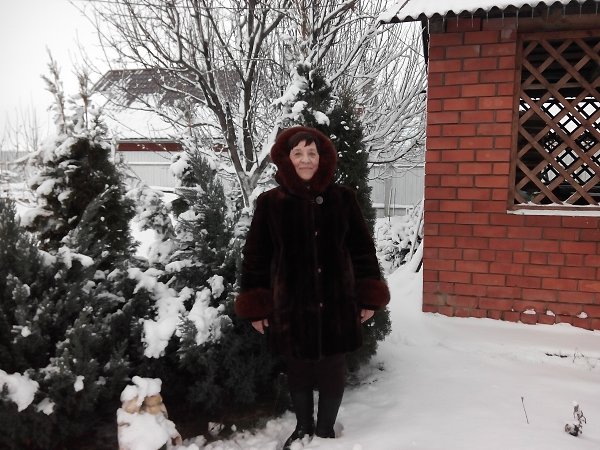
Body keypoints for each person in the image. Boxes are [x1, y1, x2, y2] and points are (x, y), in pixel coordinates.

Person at [235, 126, 390, 449]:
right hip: (291, 305)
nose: (305, 160)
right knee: (298, 367)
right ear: (286, 159)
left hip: (337, 302)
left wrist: (368, 298)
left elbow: (362, 251)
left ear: (323, 158)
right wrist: (256, 306)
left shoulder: (343, 199)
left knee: (333, 367)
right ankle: (303, 427)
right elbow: (256, 257)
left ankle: (325, 430)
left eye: (312, 153)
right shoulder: (270, 203)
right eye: (298, 153)